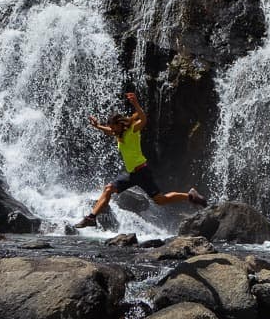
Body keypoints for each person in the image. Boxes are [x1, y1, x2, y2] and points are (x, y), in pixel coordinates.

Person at [75, 92, 207, 229]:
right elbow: (109, 130)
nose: (112, 129)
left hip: (142, 172)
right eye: (112, 128)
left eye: (114, 126)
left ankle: (190, 196)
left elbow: (143, 119)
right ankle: (91, 218)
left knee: (161, 200)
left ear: (120, 125)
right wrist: (97, 126)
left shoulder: (132, 130)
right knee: (108, 189)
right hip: (131, 174)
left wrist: (136, 104)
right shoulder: (118, 134)